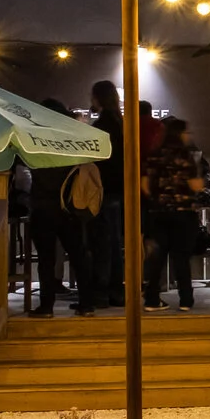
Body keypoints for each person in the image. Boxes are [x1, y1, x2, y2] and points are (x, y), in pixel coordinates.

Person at [26, 97, 93, 315]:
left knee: (46, 259)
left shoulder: (35, 138)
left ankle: (46, 306)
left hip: (42, 206)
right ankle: (86, 303)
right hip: (70, 206)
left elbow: (26, 166)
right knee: (78, 255)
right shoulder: (71, 138)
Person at [143, 112, 210, 310]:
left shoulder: (154, 155)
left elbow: (145, 184)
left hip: (158, 214)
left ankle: (152, 300)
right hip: (183, 214)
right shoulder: (186, 156)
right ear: (180, 133)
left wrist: (158, 197)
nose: (189, 135)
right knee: (181, 258)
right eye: (186, 132)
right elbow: (196, 185)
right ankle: (186, 301)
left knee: (157, 259)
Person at [88, 81, 126, 309]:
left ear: (98, 98)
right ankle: (116, 292)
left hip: (103, 191)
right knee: (113, 243)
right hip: (118, 191)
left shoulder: (102, 125)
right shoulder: (120, 123)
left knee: (101, 244)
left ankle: (101, 293)